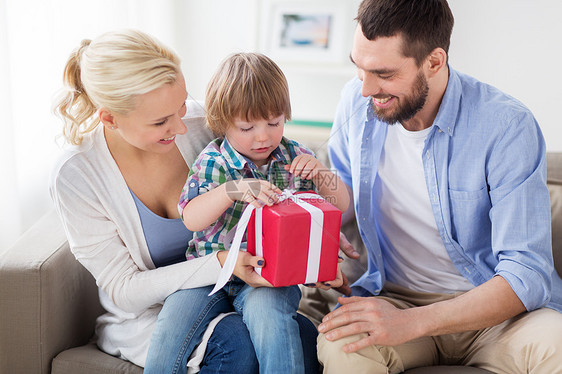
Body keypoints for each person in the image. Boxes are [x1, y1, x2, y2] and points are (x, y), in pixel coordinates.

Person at [49, 30, 316, 374]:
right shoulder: (78, 175)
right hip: (155, 310)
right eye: (161, 121)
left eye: (180, 107)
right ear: (110, 118)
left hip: (243, 287)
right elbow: (123, 289)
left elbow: (273, 165)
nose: (182, 126)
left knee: (304, 338)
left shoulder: (200, 123)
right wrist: (222, 262)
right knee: (237, 346)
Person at [316, 1, 562, 373]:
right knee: (340, 347)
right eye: (359, 67)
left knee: (555, 344)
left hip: (493, 314)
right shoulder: (356, 99)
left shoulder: (506, 127)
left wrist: (413, 322)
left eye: (383, 73)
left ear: (434, 61)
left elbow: (526, 272)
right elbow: (345, 188)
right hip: (394, 297)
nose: (365, 88)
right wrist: (312, 204)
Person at [178, 52, 349, 374]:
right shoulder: (214, 161)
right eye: (247, 127)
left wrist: (322, 172)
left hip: (270, 277)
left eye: (274, 122)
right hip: (210, 273)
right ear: (222, 121)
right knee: (173, 327)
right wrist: (232, 191)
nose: (263, 136)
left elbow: (341, 205)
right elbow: (192, 218)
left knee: (270, 318)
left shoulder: (295, 155)